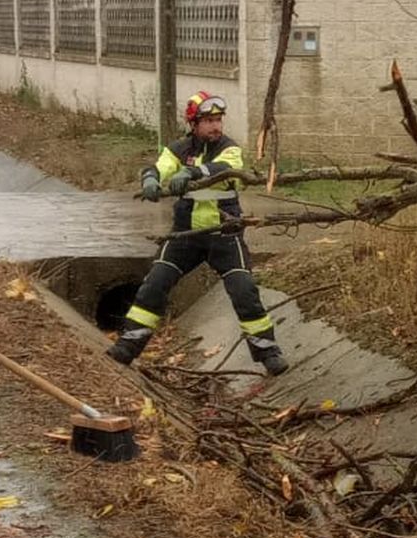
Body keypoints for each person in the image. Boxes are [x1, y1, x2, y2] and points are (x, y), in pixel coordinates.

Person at [109, 92, 287, 373]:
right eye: (208, 121)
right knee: (154, 286)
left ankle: (269, 353)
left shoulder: (230, 149)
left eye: (218, 120)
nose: (216, 126)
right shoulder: (179, 149)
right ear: (194, 124)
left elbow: (226, 168)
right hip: (185, 236)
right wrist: (151, 179)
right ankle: (127, 347)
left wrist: (193, 173)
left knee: (244, 291)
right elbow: (158, 166)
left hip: (225, 234)